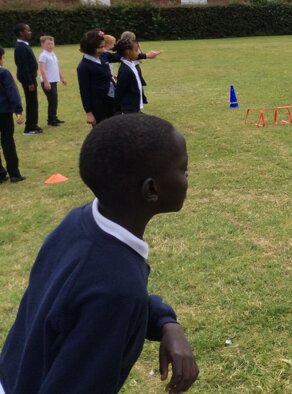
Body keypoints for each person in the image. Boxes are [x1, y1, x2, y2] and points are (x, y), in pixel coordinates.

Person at [0, 113, 199, 393]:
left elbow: (80, 299)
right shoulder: (118, 290)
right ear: (151, 189)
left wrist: (165, 322)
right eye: (183, 168)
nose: (187, 176)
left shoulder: (79, 222)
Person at [77, 29, 116, 126]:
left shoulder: (103, 56)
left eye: (103, 46)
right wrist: (89, 113)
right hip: (99, 106)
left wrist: (144, 55)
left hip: (112, 101)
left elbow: (119, 56)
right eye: (100, 47)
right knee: (103, 131)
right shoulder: (83, 67)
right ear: (90, 48)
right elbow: (84, 91)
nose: (103, 49)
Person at [0, 46, 26, 183]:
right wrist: (18, 111)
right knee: (7, 141)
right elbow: (12, 91)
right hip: (3, 112)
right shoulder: (3, 73)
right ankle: (14, 173)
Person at [13, 23, 42, 134]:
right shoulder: (20, 47)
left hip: (30, 78)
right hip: (27, 79)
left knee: (33, 102)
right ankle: (30, 127)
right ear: (21, 33)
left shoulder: (24, 45)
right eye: (28, 30)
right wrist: (30, 82)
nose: (30, 32)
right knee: (31, 102)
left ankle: (33, 124)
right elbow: (23, 66)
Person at [38, 35, 67, 126]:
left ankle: (54, 117)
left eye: (52, 43)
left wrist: (62, 78)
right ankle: (51, 120)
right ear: (42, 44)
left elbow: (57, 67)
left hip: (54, 81)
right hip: (48, 82)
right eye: (48, 44)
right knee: (53, 100)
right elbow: (42, 69)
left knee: (54, 100)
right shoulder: (43, 55)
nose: (50, 45)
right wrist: (46, 82)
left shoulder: (53, 54)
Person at [113, 38, 145, 114]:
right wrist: (117, 110)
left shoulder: (132, 64)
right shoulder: (125, 70)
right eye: (136, 50)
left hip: (135, 106)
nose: (138, 53)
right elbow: (119, 91)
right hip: (129, 109)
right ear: (128, 52)